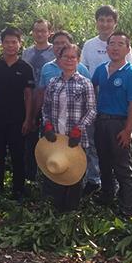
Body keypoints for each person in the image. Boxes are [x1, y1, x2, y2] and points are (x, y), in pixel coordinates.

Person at [91, 31, 132, 217]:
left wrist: (128, 130)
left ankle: (128, 206)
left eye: (120, 44)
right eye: (112, 44)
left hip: (119, 124)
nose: (115, 48)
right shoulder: (101, 70)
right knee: (103, 162)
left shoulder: (131, 74)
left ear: (127, 49)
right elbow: (91, 87)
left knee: (122, 166)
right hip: (101, 121)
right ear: (107, 48)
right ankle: (107, 195)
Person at [40, 43, 96, 212]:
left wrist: (80, 128)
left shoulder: (85, 83)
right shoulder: (53, 83)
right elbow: (45, 107)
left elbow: (92, 110)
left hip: (74, 139)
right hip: (57, 138)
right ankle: (57, 210)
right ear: (59, 59)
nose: (69, 60)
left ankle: (71, 212)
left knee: (75, 176)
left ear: (78, 60)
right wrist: (47, 124)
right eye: (66, 57)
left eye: (73, 57)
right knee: (57, 172)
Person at [0, 26, 34, 200]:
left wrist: (28, 119)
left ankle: (18, 189)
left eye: (14, 42)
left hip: (18, 119)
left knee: (18, 155)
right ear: (2, 44)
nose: (10, 45)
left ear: (20, 44)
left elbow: (28, 95)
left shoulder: (26, 68)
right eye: (7, 42)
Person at [22, 19, 55, 181]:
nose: (40, 34)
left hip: (50, 104)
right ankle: (30, 176)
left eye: (43, 31)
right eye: (36, 31)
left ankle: (49, 175)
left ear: (49, 33)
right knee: (30, 140)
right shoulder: (26, 52)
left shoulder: (55, 51)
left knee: (49, 140)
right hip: (29, 102)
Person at [80, 5, 132, 72]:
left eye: (109, 21)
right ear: (96, 22)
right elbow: (82, 70)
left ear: (115, 24)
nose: (105, 24)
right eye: (101, 20)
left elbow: (131, 70)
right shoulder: (88, 45)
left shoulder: (123, 45)